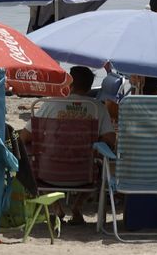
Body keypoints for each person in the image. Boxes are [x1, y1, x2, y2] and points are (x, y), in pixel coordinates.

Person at [31, 65, 117, 226]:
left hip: (49, 172)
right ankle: (77, 206)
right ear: (90, 86)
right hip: (84, 173)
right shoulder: (97, 107)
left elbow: (26, 136)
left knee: (32, 159)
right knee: (100, 162)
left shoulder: (51, 104)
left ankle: (56, 208)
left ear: (69, 83)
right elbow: (110, 140)